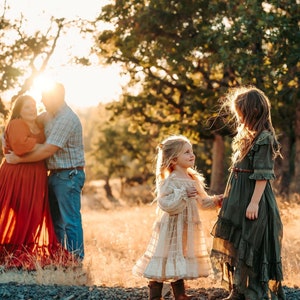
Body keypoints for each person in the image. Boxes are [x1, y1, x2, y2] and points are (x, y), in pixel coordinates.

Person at [210, 86, 286, 300]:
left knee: (251, 242)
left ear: (251, 111)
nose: (237, 116)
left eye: (240, 111)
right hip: (237, 197)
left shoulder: (264, 139)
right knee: (235, 242)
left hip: (253, 199)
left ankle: (251, 291)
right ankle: (237, 290)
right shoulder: (246, 137)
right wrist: (230, 197)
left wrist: (253, 203)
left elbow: (262, 175)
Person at [132, 135, 223, 300]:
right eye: (187, 152)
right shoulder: (170, 181)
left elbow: (202, 202)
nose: (192, 155)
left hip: (187, 228)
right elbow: (165, 204)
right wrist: (182, 194)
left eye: (192, 151)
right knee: (164, 257)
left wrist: (217, 201)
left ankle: (180, 294)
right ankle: (155, 294)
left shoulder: (193, 179)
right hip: (170, 228)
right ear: (174, 160)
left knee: (179, 257)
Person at [6, 83, 85, 262]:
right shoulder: (48, 116)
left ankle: (76, 261)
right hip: (55, 175)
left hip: (68, 175)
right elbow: (26, 122)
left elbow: (48, 150)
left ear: (55, 98)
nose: (41, 101)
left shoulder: (66, 119)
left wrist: (19, 160)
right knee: (55, 222)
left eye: (44, 97)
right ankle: (59, 259)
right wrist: (6, 136)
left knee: (70, 221)